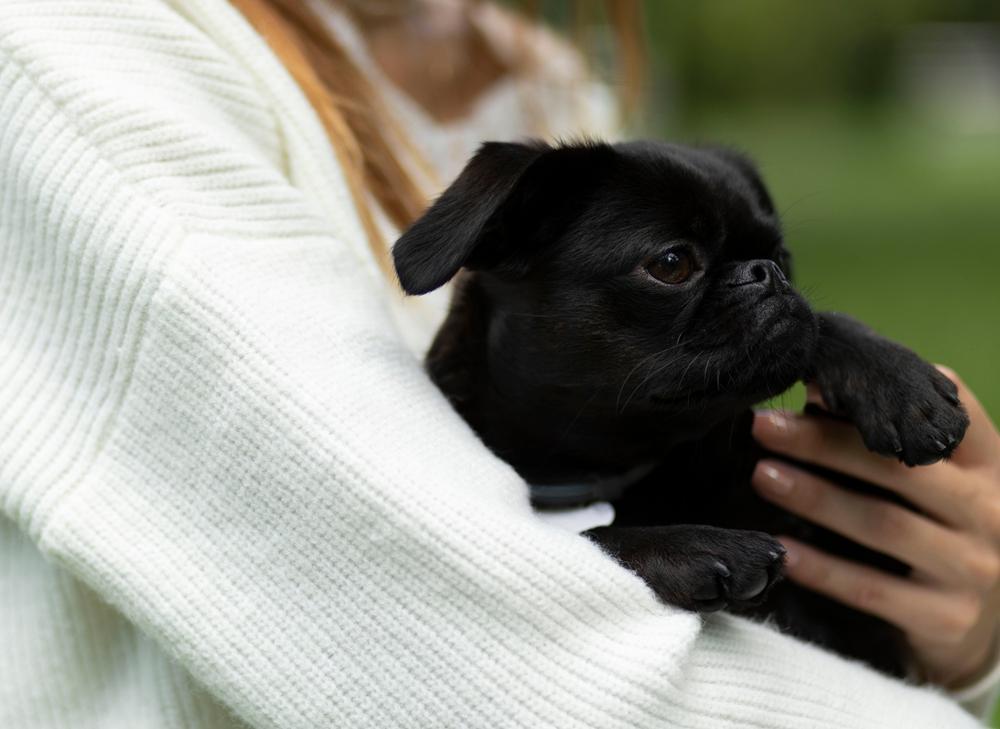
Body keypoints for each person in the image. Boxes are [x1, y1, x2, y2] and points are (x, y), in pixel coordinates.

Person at [0, 0, 996, 726]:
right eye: (675, 265)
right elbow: (462, 631)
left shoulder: (539, 75)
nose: (756, 289)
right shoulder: (74, 63)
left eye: (766, 268)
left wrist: (965, 631)